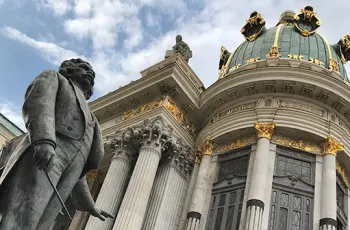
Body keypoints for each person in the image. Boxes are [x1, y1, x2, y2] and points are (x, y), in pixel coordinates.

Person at [0, 58, 112, 230]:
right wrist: (44, 140)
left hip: (67, 175)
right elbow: (39, 104)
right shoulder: (55, 78)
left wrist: (90, 205)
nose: (89, 72)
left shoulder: (92, 119)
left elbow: (80, 172)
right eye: (83, 67)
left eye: (92, 73)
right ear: (68, 71)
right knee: (23, 214)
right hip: (44, 156)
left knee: (42, 222)